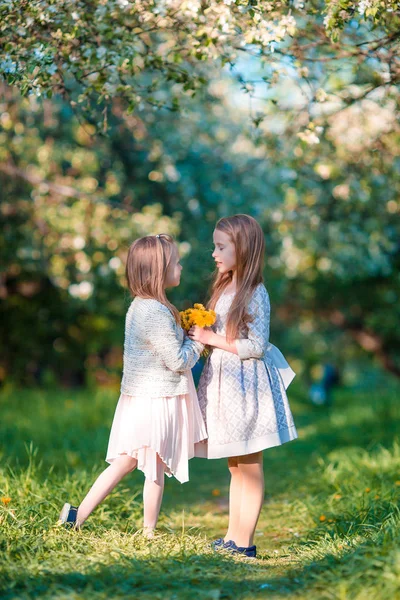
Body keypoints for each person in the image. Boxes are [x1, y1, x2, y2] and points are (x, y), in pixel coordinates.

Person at [59, 234, 206, 537]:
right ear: (158, 270)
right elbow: (177, 361)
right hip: (155, 398)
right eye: (175, 262)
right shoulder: (153, 311)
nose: (180, 266)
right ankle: (146, 531)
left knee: (133, 462)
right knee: (149, 465)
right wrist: (197, 342)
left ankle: (78, 516)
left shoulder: (147, 307)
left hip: (145, 397)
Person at [189, 215, 297, 558]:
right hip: (226, 386)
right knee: (235, 464)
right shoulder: (224, 287)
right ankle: (233, 536)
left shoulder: (254, 292)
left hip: (247, 387)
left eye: (221, 247)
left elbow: (257, 346)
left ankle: (245, 543)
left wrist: (211, 338)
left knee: (249, 465)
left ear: (243, 248)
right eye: (215, 246)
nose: (214, 254)